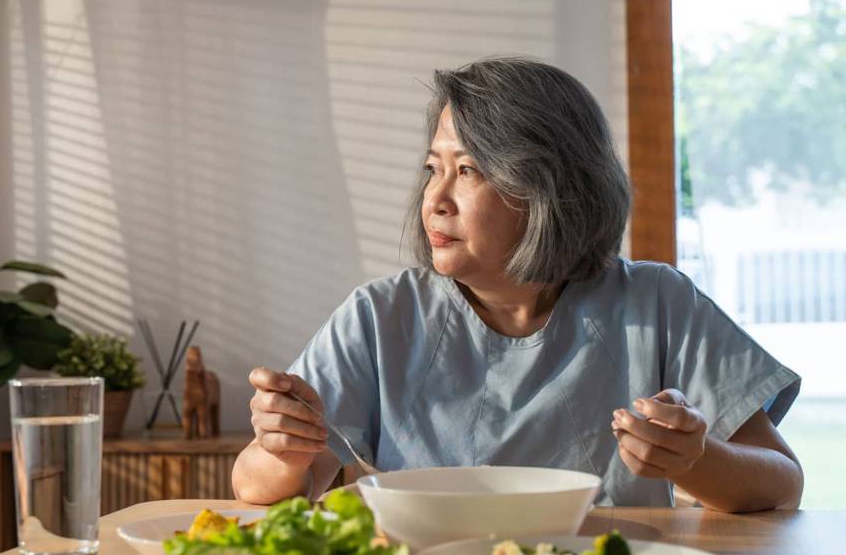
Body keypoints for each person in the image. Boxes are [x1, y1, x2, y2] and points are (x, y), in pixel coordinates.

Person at [232, 57, 803, 511]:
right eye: (434, 168)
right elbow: (255, 489)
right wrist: (282, 449)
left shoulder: (659, 302)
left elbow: (781, 482)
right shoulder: (379, 316)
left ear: (548, 188)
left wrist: (693, 460)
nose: (435, 199)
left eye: (469, 171)